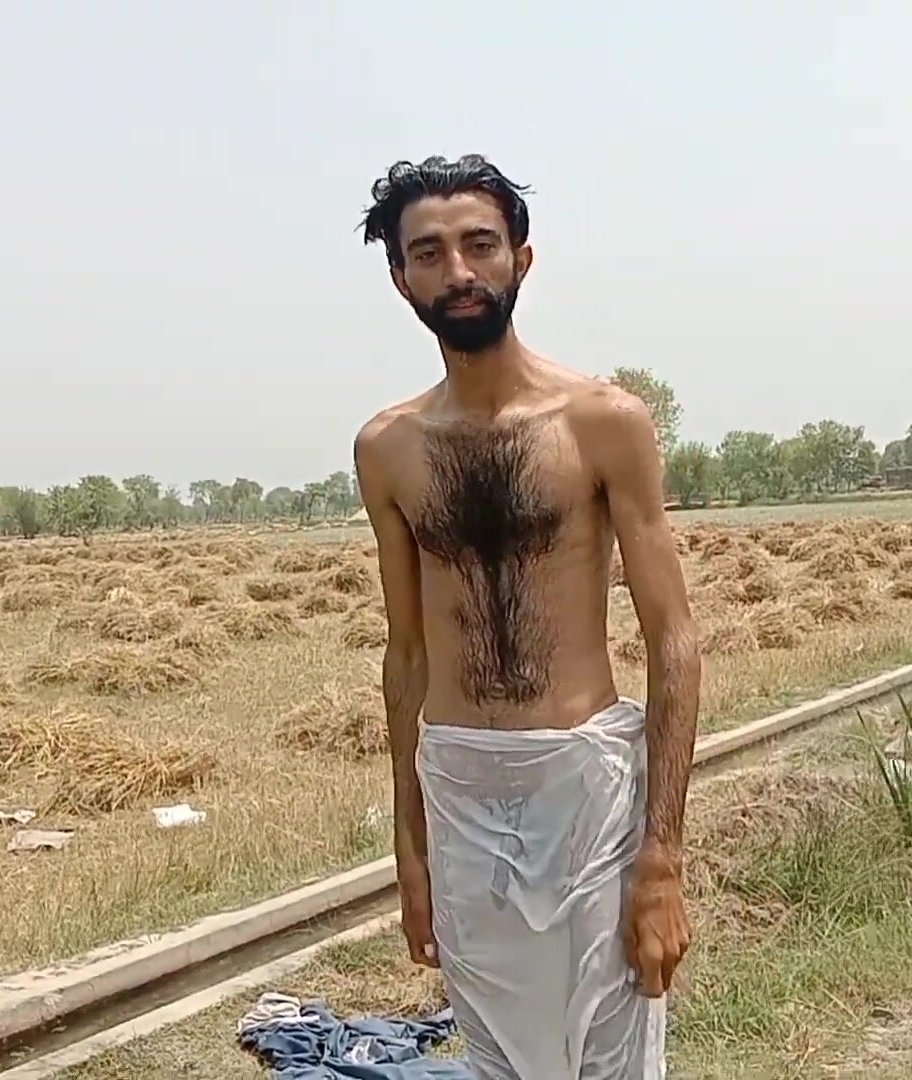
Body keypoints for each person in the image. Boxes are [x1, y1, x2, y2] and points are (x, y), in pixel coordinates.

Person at [350, 155, 702, 1078]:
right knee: (503, 1060)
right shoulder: (388, 449)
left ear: (521, 260)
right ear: (400, 279)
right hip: (462, 785)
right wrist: (410, 846)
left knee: (608, 1055)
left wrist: (660, 856)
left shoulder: (601, 421)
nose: (458, 272)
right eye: (428, 253)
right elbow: (408, 656)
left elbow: (674, 640)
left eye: (479, 246)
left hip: (585, 782)